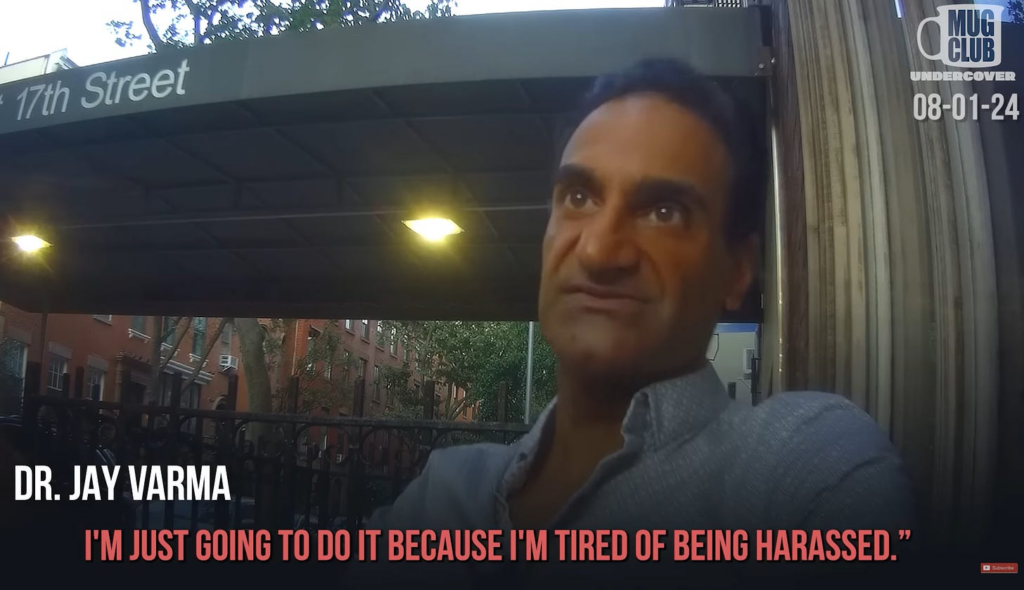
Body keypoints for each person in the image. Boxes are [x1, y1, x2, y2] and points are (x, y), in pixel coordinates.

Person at [346, 58, 916, 589]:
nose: (598, 251)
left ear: (737, 270)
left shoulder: (801, 465)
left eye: (664, 212)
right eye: (578, 196)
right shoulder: (441, 495)